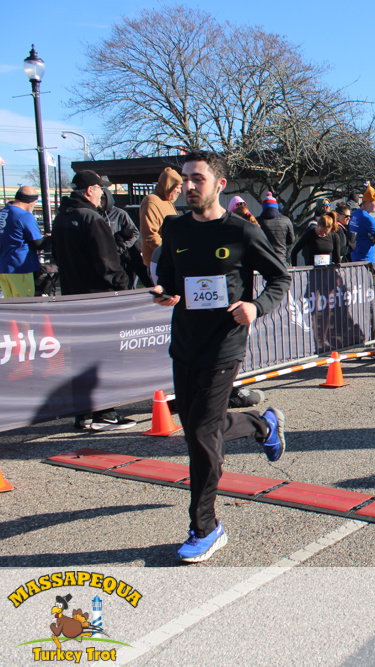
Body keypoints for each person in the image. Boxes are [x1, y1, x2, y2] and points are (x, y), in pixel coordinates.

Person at [152, 150, 291, 563]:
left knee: (200, 436)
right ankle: (262, 424)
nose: (189, 186)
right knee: (199, 427)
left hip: (224, 344)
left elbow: (279, 278)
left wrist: (256, 306)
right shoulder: (175, 228)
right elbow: (168, 277)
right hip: (185, 343)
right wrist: (164, 293)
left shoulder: (241, 231)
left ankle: (206, 527)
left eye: (198, 179)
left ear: (219, 185)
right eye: (186, 179)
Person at [53, 171, 134, 430]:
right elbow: (107, 262)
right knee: (105, 355)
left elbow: (56, 255)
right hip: (100, 299)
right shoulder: (92, 218)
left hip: (73, 297)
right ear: (90, 190)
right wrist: (122, 286)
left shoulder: (61, 217)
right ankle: (104, 413)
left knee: (81, 355)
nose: (103, 193)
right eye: (100, 188)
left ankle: (85, 414)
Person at [0, 186, 45, 298]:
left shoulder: (2, 213)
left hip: (3, 267)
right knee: (25, 304)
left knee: (10, 304)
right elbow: (38, 243)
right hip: (20, 267)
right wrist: (51, 239)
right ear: (31, 201)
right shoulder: (24, 215)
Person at [139, 167, 182, 267]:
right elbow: (150, 234)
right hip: (158, 261)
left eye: (180, 187)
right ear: (168, 186)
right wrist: (167, 252)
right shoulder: (151, 201)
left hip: (171, 258)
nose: (179, 191)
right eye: (177, 187)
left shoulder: (168, 201)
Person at [100, 187, 141, 289]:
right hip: (102, 256)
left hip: (120, 256)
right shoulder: (95, 214)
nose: (100, 201)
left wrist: (123, 246)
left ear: (108, 199)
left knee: (123, 283)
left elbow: (135, 233)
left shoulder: (120, 214)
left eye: (102, 199)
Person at [257, 193, 295, 265]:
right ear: (276, 206)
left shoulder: (257, 221)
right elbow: (291, 240)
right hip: (280, 260)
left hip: (263, 260)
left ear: (263, 207)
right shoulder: (286, 220)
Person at [350, 183, 375, 263]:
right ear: (367, 203)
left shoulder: (354, 214)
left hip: (355, 257)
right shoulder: (368, 219)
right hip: (367, 260)